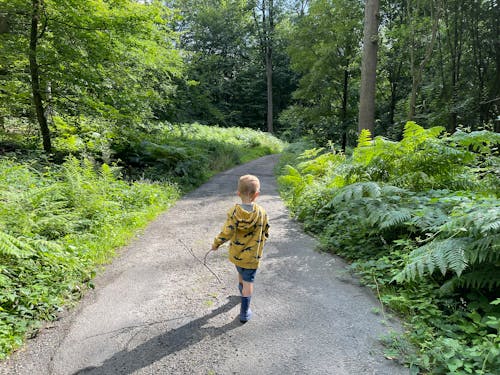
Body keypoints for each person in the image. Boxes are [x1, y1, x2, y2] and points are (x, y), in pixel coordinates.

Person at [211, 174, 270, 323]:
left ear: (238, 194)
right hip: (252, 257)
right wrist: (262, 240)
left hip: (237, 254)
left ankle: (241, 294)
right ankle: (244, 311)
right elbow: (266, 230)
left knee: (240, 272)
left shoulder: (234, 212)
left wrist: (217, 243)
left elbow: (227, 231)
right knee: (249, 281)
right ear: (256, 195)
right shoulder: (261, 212)